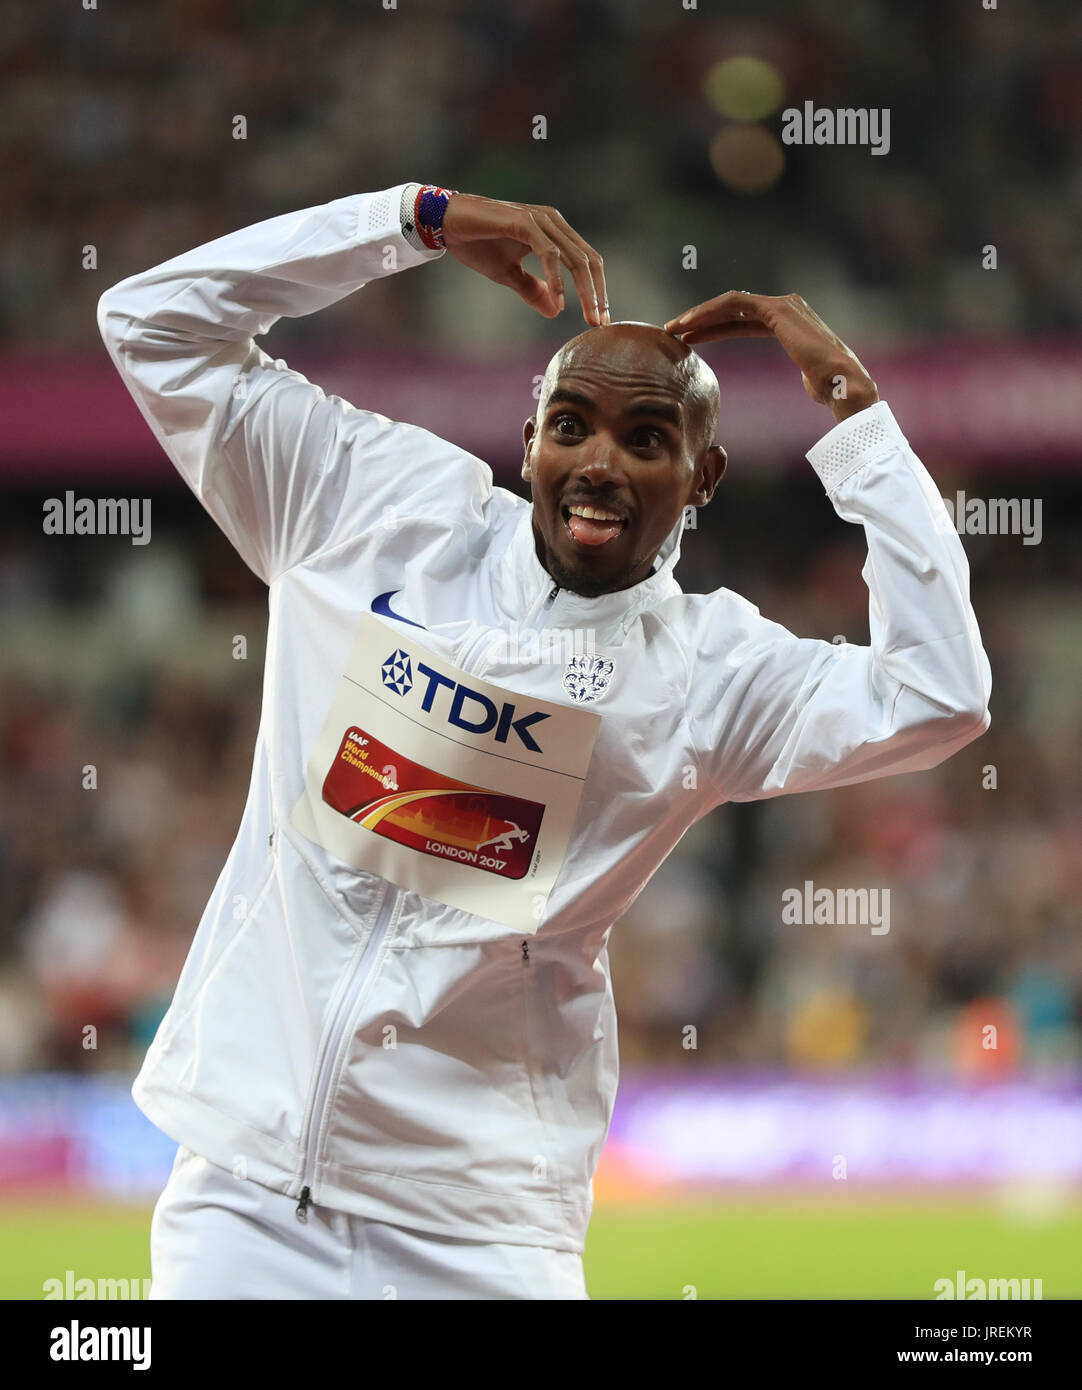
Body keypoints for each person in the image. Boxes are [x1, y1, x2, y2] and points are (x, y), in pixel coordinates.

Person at [97, 182, 991, 1300]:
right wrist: (409, 221)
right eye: (570, 425)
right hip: (251, 1193)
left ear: (701, 477)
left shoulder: (708, 670)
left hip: (478, 1230)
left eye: (647, 436)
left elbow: (940, 692)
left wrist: (855, 419)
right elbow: (150, 324)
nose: (600, 462)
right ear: (527, 442)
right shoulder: (368, 505)